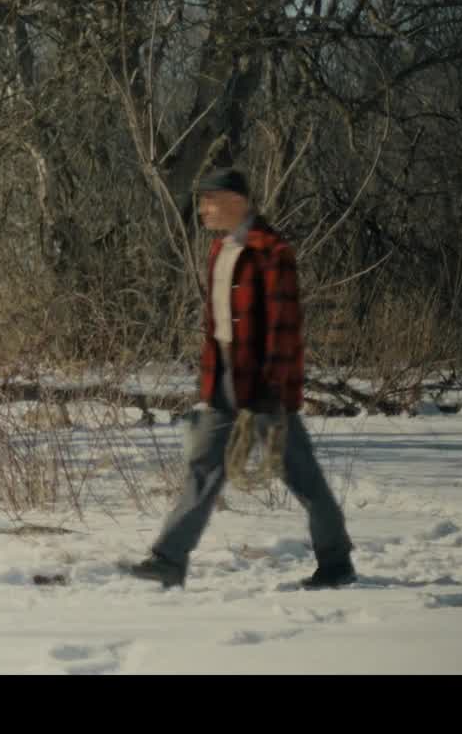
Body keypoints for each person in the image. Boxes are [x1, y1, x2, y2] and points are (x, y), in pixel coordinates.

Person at [127, 168, 357, 589]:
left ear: (236, 201)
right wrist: (211, 383)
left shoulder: (272, 252)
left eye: (210, 200)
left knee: (302, 476)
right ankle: (168, 559)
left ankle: (337, 561)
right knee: (204, 468)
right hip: (225, 380)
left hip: (265, 387)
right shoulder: (220, 248)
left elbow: (284, 328)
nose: (202, 209)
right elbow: (218, 325)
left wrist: (272, 390)